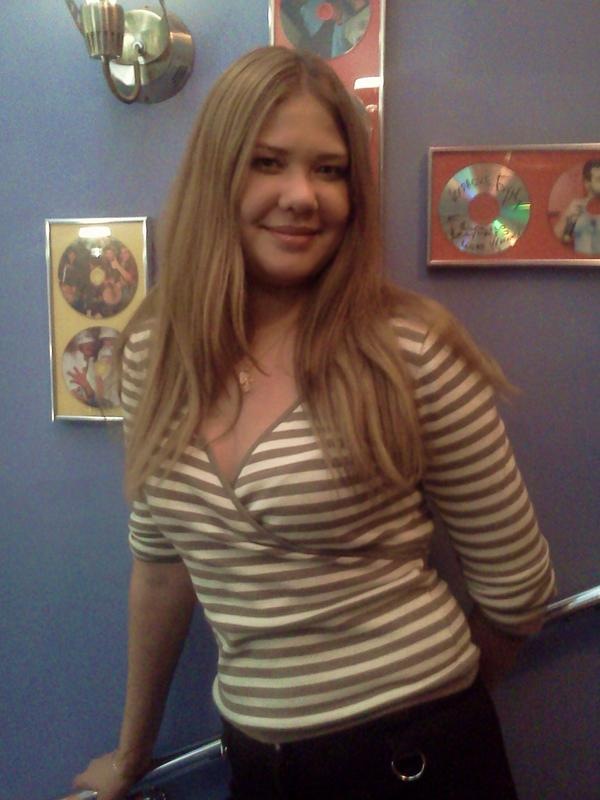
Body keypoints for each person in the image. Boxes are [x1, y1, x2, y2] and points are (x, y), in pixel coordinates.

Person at [72, 46, 556, 800]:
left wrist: (426, 719)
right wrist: (129, 756)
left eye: (330, 170)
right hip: (256, 764)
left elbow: (518, 591)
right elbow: (162, 568)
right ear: (216, 175)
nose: (302, 196)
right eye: (268, 162)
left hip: (415, 759)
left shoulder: (409, 349)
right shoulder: (150, 356)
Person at [553, 158, 600, 254]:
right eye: (599, 179)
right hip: (578, 262)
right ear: (587, 183)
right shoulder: (575, 207)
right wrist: (566, 217)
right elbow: (555, 239)